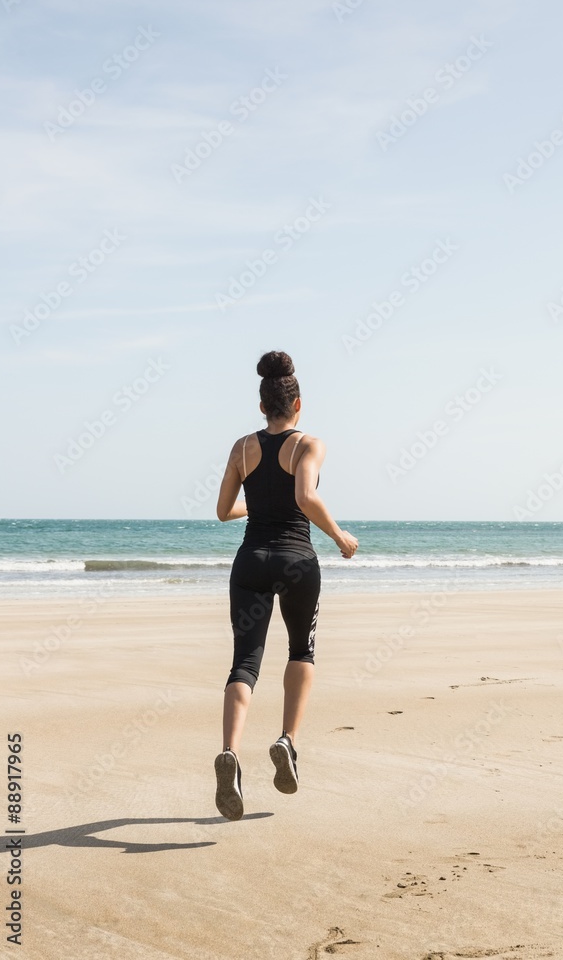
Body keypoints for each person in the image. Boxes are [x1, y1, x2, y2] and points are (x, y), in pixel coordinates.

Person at [214, 350, 358, 821]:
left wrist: (255, 506)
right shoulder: (309, 445)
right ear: (298, 404)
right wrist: (339, 535)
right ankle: (286, 742)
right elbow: (304, 496)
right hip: (296, 562)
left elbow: (223, 510)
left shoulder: (242, 447)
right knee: (301, 652)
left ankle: (230, 753)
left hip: (251, 562)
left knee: (244, 664)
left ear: (262, 407)